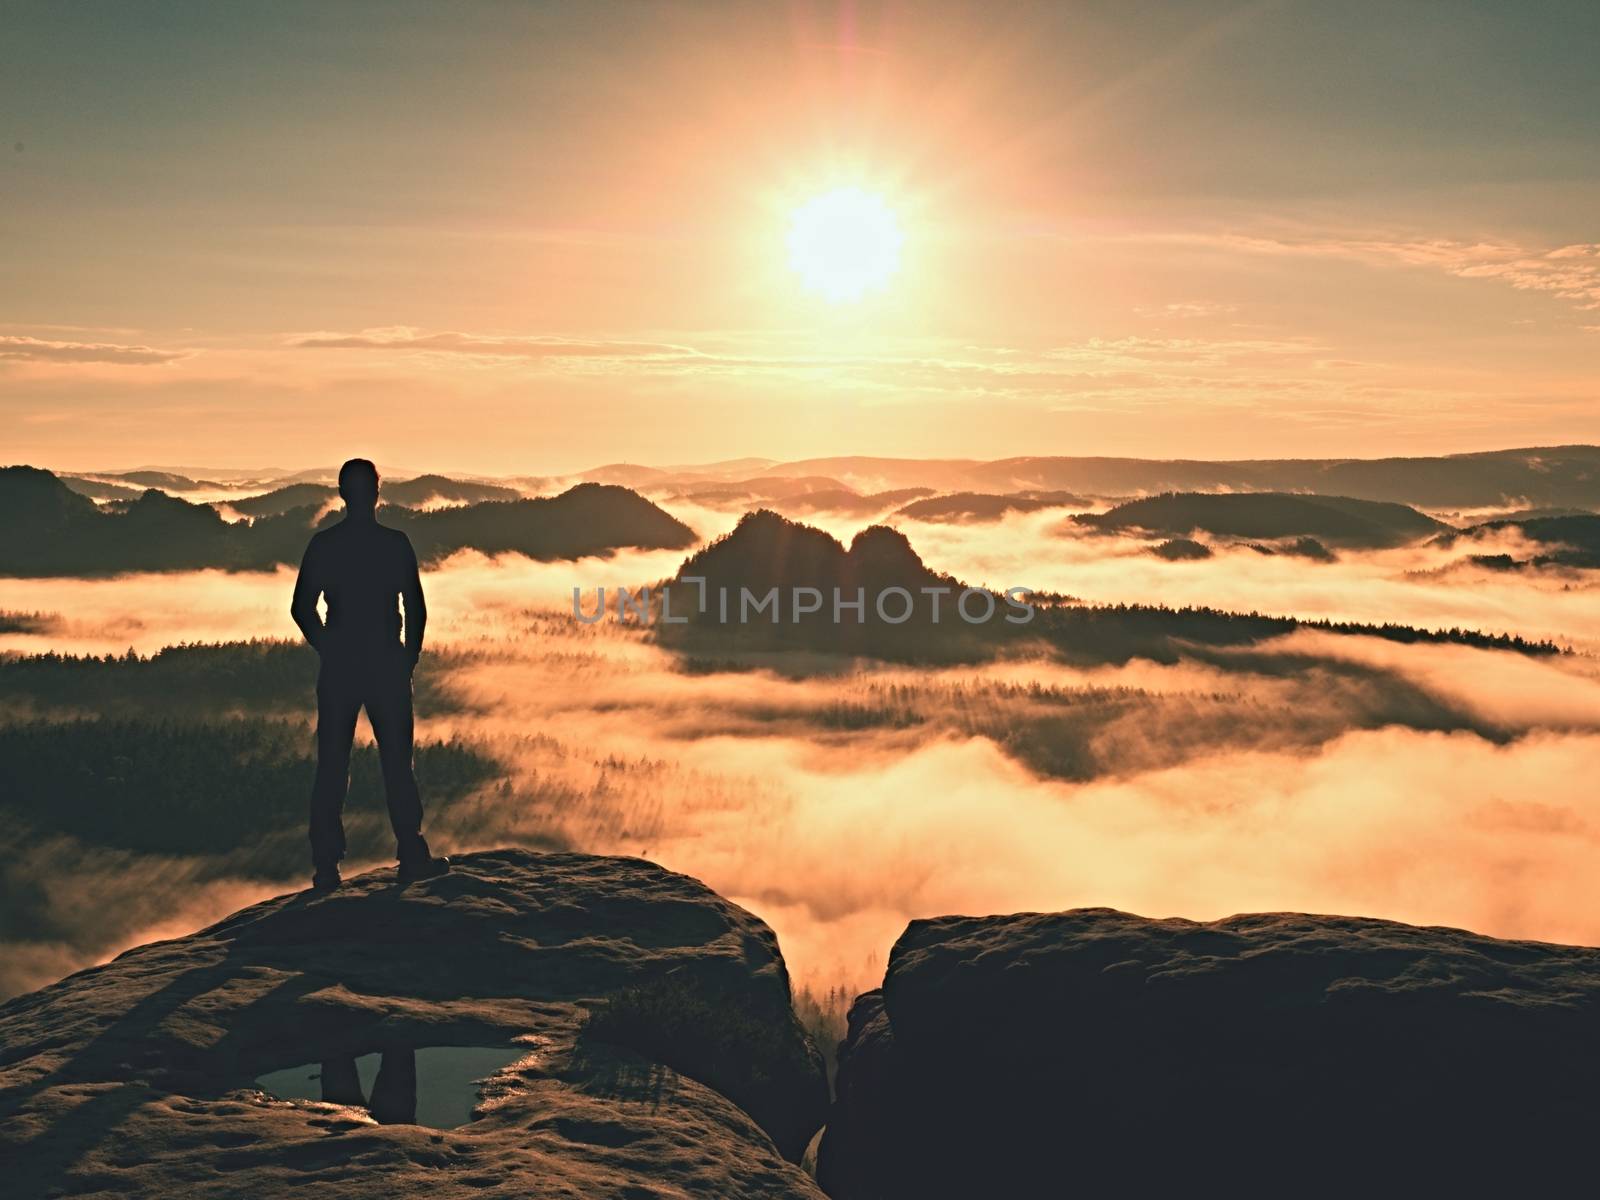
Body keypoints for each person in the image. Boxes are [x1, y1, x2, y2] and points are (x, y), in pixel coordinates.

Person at [291, 458, 450, 890]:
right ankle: (411, 853)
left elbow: (301, 608)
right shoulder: (394, 544)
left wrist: (329, 647)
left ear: (342, 493)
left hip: (342, 666)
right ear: (377, 493)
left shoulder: (326, 545)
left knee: (332, 767)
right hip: (385, 663)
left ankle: (326, 868)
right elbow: (416, 607)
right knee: (398, 762)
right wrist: (408, 658)